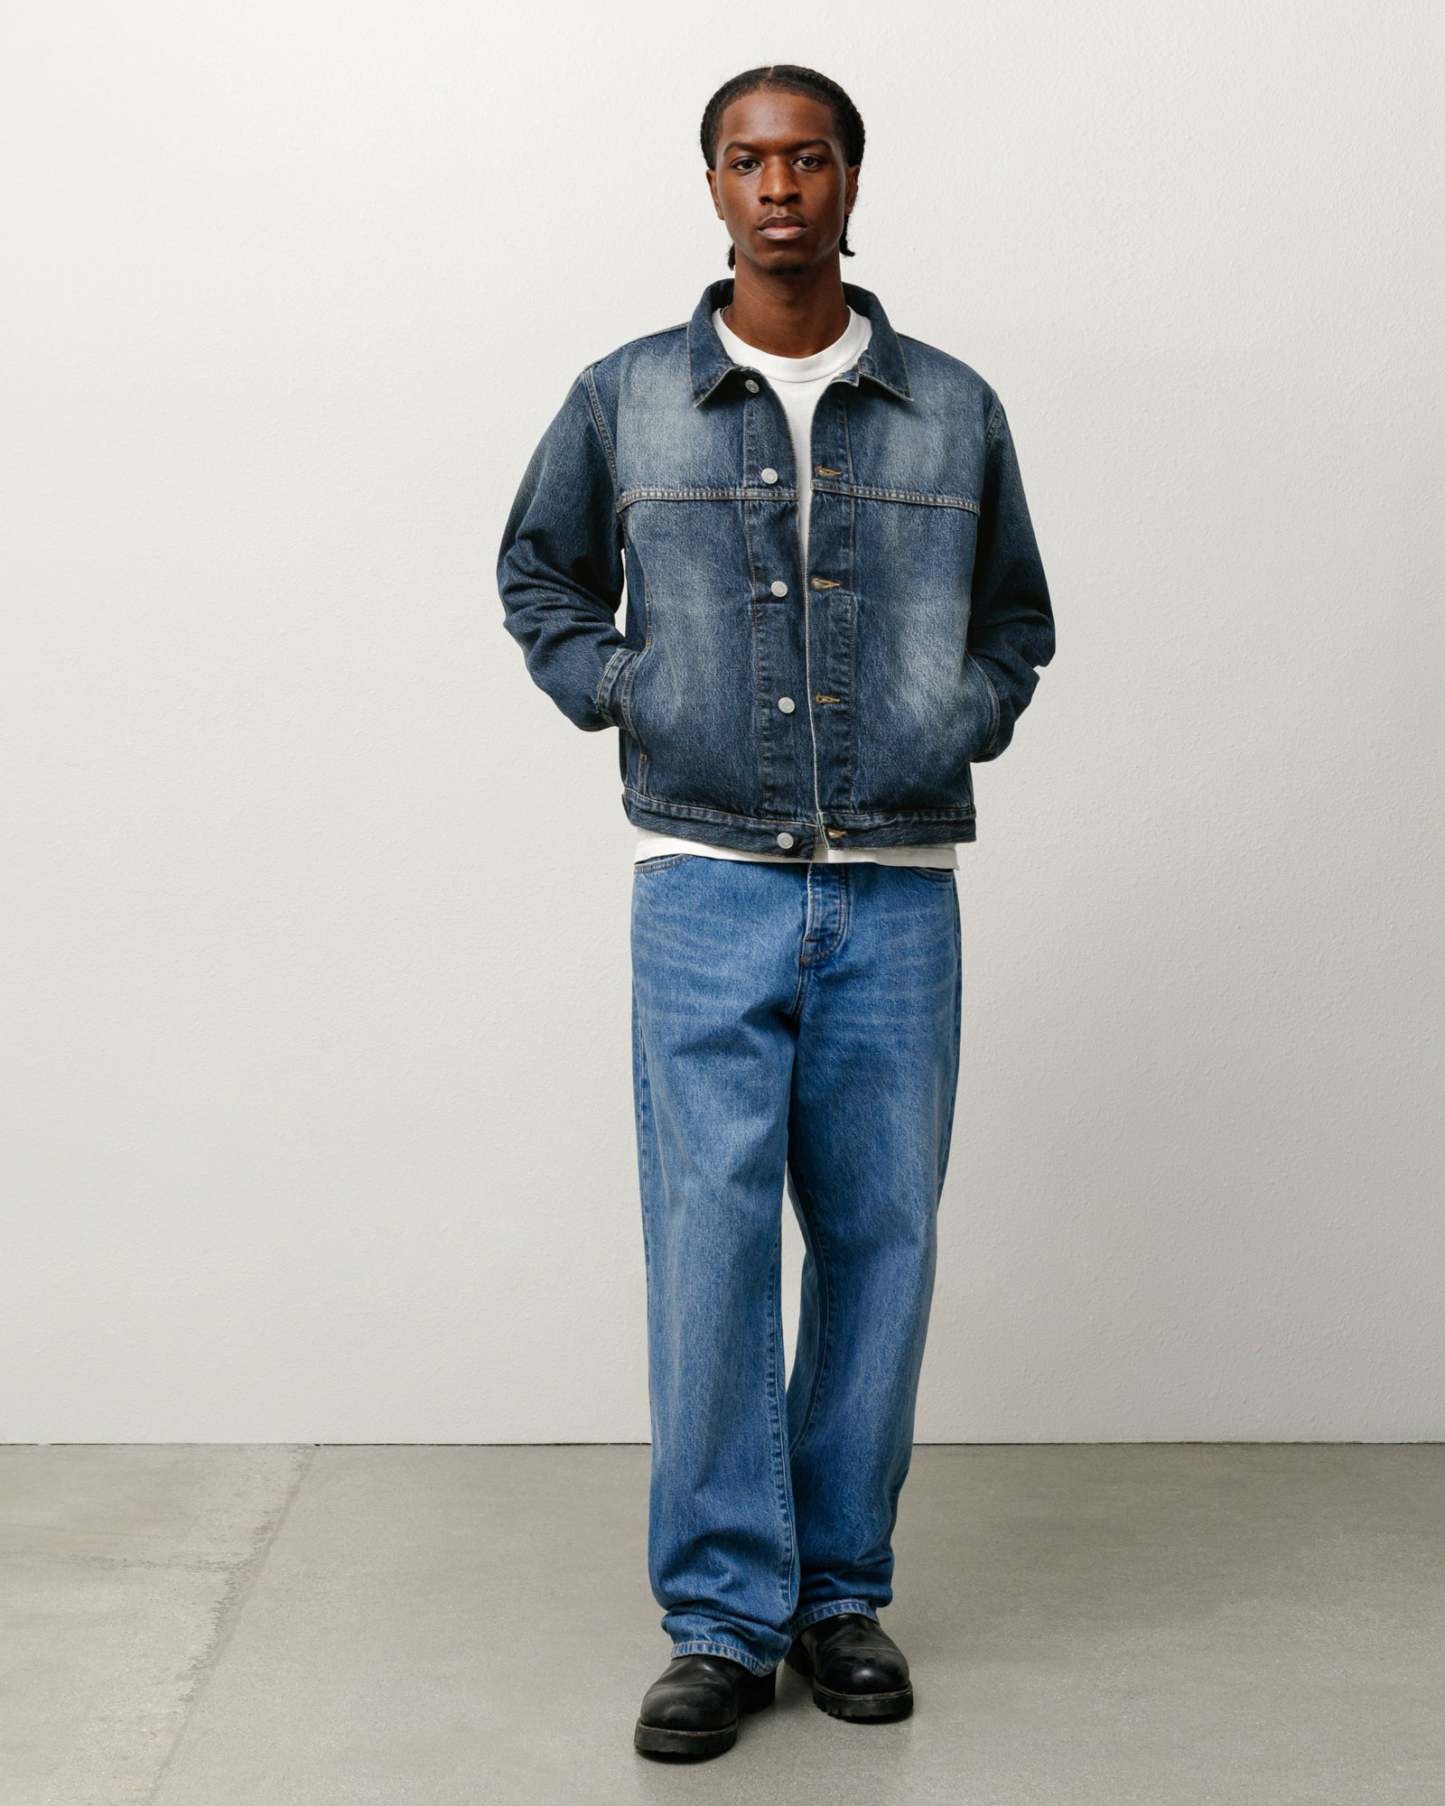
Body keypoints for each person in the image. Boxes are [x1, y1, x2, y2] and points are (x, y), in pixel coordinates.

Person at [497, 62, 1055, 1763]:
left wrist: (949, 714)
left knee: (880, 1244)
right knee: (712, 1250)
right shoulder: (627, 395)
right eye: (748, 160)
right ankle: (722, 1621)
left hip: (896, 886)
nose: (780, 188)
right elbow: (537, 572)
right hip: (704, 882)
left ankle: (839, 1595)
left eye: (808, 157)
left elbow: (1015, 620)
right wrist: (629, 691)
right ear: (712, 187)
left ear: (852, 180)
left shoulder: (949, 405)